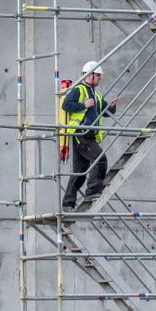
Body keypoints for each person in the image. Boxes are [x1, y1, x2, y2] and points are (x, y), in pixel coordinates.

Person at [61, 61, 117, 211]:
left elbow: (108, 112)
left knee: (79, 172)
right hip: (81, 134)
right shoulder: (79, 89)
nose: (100, 78)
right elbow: (66, 105)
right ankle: (93, 192)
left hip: (89, 136)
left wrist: (112, 105)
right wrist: (83, 105)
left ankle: (68, 203)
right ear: (89, 75)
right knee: (100, 159)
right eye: (98, 75)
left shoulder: (96, 95)